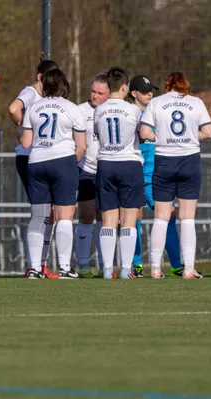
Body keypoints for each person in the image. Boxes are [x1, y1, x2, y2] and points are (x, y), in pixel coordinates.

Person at [140, 71, 211, 279]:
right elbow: (209, 132)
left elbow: (144, 133)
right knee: (187, 218)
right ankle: (188, 269)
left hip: (164, 161)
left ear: (167, 85)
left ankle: (155, 269)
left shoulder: (156, 103)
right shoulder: (196, 102)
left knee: (161, 218)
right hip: (189, 160)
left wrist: (163, 138)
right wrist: (190, 137)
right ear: (185, 84)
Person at [21, 68, 86, 279]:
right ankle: (65, 267)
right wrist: (71, 164)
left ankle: (34, 268)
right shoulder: (72, 108)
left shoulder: (33, 107)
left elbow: (26, 143)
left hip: (36, 163)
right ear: (64, 85)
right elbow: (82, 147)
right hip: (63, 162)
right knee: (65, 216)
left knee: (38, 217)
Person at [9, 54, 59, 278]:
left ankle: (40, 263)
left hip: (40, 157)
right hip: (28, 157)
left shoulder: (47, 98)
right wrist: (22, 129)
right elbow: (13, 108)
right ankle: (33, 264)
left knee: (50, 212)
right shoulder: (30, 93)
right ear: (40, 77)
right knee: (41, 211)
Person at [129, 75, 183, 278]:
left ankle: (176, 264)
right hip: (135, 172)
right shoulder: (130, 113)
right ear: (133, 93)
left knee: (169, 215)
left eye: (151, 90)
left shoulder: (158, 110)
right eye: (145, 91)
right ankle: (136, 265)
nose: (150, 94)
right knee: (133, 217)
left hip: (156, 173)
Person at [94, 66, 145, 279]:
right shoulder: (134, 110)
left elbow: (97, 133)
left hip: (106, 164)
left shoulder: (98, 110)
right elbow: (143, 134)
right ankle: (125, 269)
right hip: (129, 164)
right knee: (129, 220)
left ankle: (107, 270)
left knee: (108, 219)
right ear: (124, 87)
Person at [76, 73, 110, 278]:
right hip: (85, 171)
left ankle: (105, 265)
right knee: (86, 216)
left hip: (107, 170)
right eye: (93, 91)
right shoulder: (80, 111)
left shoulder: (113, 110)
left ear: (109, 93)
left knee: (105, 218)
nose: (95, 96)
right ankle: (83, 265)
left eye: (100, 93)